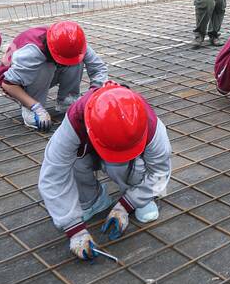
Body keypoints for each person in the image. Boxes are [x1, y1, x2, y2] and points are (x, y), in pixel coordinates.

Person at [39, 84, 171, 257]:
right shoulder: (75, 120)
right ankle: (93, 200)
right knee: (71, 162)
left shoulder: (149, 123)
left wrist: (126, 205)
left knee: (127, 165)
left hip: (131, 164)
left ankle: (139, 195)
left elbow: (160, 172)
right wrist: (74, 229)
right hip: (90, 151)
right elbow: (53, 175)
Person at [0, 21, 110, 130]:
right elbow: (8, 84)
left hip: (44, 68)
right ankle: (30, 107)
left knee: (75, 59)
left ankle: (67, 100)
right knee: (47, 66)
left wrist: (94, 93)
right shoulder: (32, 53)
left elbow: (99, 68)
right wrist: (35, 107)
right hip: (16, 84)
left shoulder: (74, 43)